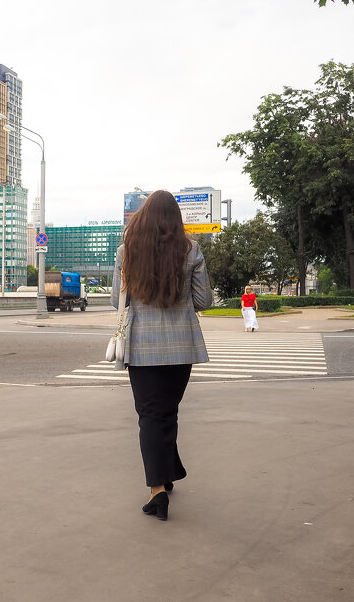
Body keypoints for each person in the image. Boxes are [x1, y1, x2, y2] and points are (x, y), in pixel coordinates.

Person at [111, 190, 213, 522]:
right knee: (167, 412)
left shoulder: (128, 251)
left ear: (143, 216)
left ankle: (157, 491)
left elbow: (117, 302)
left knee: (151, 416)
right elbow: (205, 300)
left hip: (141, 347)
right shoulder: (191, 249)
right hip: (181, 345)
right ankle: (167, 475)